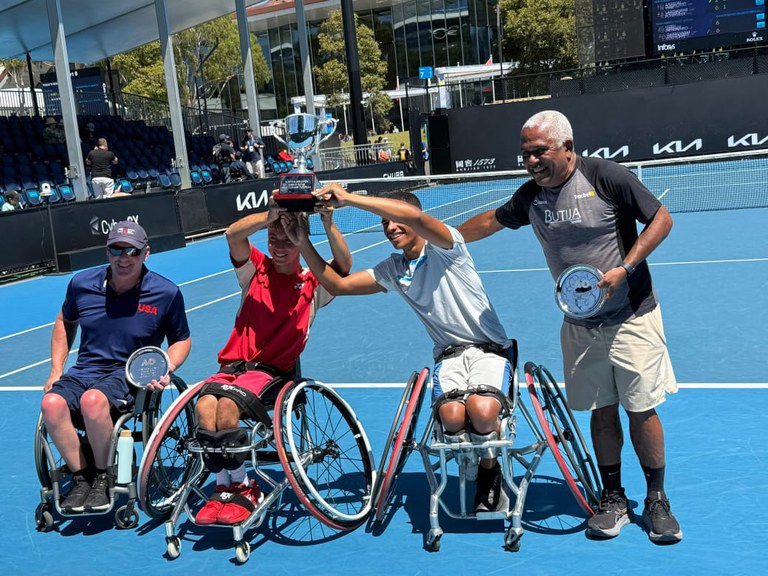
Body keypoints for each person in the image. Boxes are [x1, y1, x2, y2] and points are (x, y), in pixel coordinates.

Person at [458, 110, 681, 543]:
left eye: (539, 152)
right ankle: (613, 496)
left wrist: (625, 267)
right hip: (580, 325)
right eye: (525, 154)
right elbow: (489, 222)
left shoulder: (606, 176)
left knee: (641, 410)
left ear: (566, 147)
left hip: (631, 316)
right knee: (601, 412)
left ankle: (656, 499)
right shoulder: (531, 197)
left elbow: (662, 219)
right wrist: (440, 236)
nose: (531, 162)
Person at [285, 185, 513, 514]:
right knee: (450, 416)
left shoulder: (446, 246)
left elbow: (416, 217)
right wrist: (305, 240)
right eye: (385, 224)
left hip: (489, 351)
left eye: (394, 220)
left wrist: (349, 199)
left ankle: (489, 472)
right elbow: (338, 285)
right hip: (449, 356)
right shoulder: (393, 269)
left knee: (482, 412)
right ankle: (471, 452)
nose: (390, 228)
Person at [193, 198, 352, 526]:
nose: (279, 247)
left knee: (225, 411)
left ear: (300, 243)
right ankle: (223, 486)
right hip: (232, 367)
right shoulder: (255, 269)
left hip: (273, 374)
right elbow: (233, 236)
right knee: (204, 407)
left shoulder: (313, 284)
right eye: (273, 239)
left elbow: (344, 266)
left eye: (288, 241)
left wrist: (326, 224)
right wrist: (270, 217)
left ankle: (242, 486)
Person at [40, 221, 192, 513]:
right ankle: (81, 477)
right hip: (84, 371)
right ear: (107, 251)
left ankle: (102, 475)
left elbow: (181, 340)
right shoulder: (81, 284)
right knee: (51, 404)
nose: (124, 258)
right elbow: (64, 321)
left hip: (129, 376)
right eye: (116, 250)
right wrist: (56, 370)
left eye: (132, 251)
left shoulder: (166, 292)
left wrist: (167, 366)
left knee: (93, 401)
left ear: (145, 253)